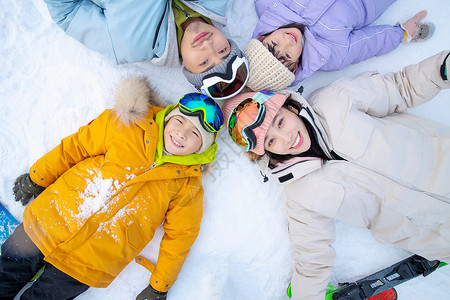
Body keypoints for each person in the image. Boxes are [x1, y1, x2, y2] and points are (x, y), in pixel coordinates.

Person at [222, 51, 450, 300]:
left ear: (290, 107)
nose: (287, 138)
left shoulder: (337, 101)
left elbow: (402, 87)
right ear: (266, 153)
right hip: (439, 236)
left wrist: (441, 69)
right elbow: (311, 259)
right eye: (272, 141)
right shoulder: (301, 194)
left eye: (280, 122)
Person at [0, 78, 224, 300]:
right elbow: (75, 147)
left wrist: (160, 285)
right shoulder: (126, 125)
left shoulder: (187, 185)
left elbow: (181, 237)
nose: (182, 134)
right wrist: (38, 176)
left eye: (195, 134)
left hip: (89, 263)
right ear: (168, 118)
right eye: (180, 121)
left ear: (203, 149)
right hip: (50, 220)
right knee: (5, 274)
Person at [42, 0, 249, 100]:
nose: (208, 46)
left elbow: (69, 14)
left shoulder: (129, 44)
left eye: (204, 62)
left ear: (187, 67)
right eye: (222, 50)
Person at [242, 0, 435, 91]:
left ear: (262, 37)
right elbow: (368, 43)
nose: (288, 41)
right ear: (295, 67)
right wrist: (402, 33)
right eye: (287, 56)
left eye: (274, 43)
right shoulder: (331, 54)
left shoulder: (269, 5)